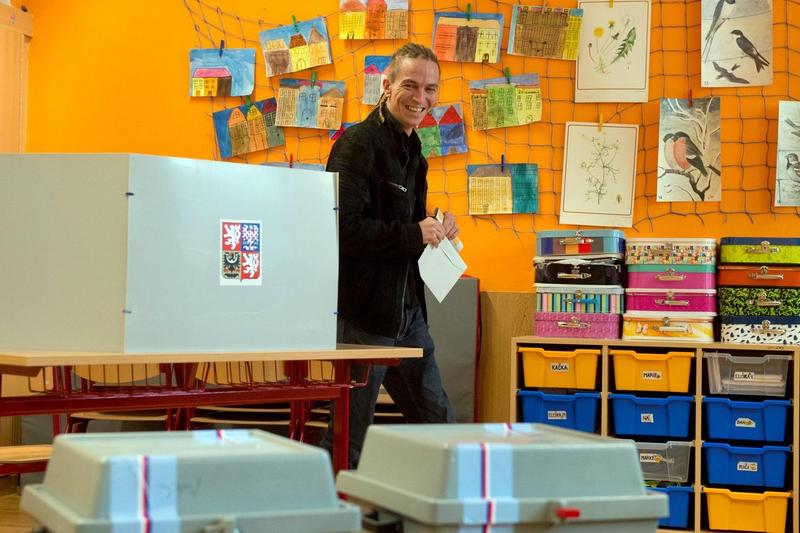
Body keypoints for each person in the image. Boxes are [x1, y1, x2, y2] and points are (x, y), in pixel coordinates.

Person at [320, 43, 458, 469]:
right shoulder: (356, 145)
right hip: (365, 317)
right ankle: (329, 502)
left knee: (441, 426)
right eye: (410, 85)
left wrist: (437, 226)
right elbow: (341, 230)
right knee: (349, 437)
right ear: (386, 85)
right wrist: (414, 233)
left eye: (430, 89)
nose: (421, 98)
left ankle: (444, 503)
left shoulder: (415, 152)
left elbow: (408, 226)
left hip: (409, 314)